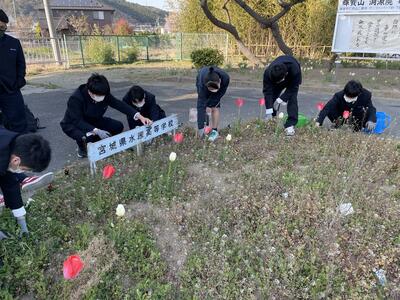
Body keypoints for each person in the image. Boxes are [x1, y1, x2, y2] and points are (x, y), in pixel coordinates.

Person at [60, 74, 152, 158]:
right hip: (74, 124)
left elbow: (119, 104)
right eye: (99, 95)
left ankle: (100, 141)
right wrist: (96, 130)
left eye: (104, 95)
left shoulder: (103, 93)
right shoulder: (76, 98)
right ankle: (82, 149)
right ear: (90, 92)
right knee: (87, 138)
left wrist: (140, 116)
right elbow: (77, 121)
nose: (102, 97)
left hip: (95, 120)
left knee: (118, 126)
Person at [0, 127, 51, 241]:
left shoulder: (12, 143)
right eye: (23, 170)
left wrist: (21, 220)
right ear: (16, 161)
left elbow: (10, 183)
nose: (22, 172)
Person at [0, 9, 28, 133]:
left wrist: (19, 80)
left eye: (4, 27)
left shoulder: (14, 43)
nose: (2, 29)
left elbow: (21, 64)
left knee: (19, 122)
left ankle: (20, 150)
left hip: (11, 90)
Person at [263, 55, 302, 136]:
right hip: (277, 77)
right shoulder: (268, 73)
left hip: (292, 80)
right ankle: (271, 119)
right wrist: (269, 111)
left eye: (278, 81)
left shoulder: (295, 70)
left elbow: (293, 88)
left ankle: (290, 124)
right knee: (273, 95)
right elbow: (267, 92)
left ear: (286, 74)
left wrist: (281, 99)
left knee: (292, 98)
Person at [196, 66, 230, 141]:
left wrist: (212, 103)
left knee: (215, 107)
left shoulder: (225, 78)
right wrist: (200, 129)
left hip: (218, 86)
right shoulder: (202, 85)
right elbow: (200, 106)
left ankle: (214, 131)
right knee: (203, 106)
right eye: (211, 89)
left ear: (219, 81)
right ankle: (204, 128)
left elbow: (220, 94)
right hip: (202, 79)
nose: (213, 91)